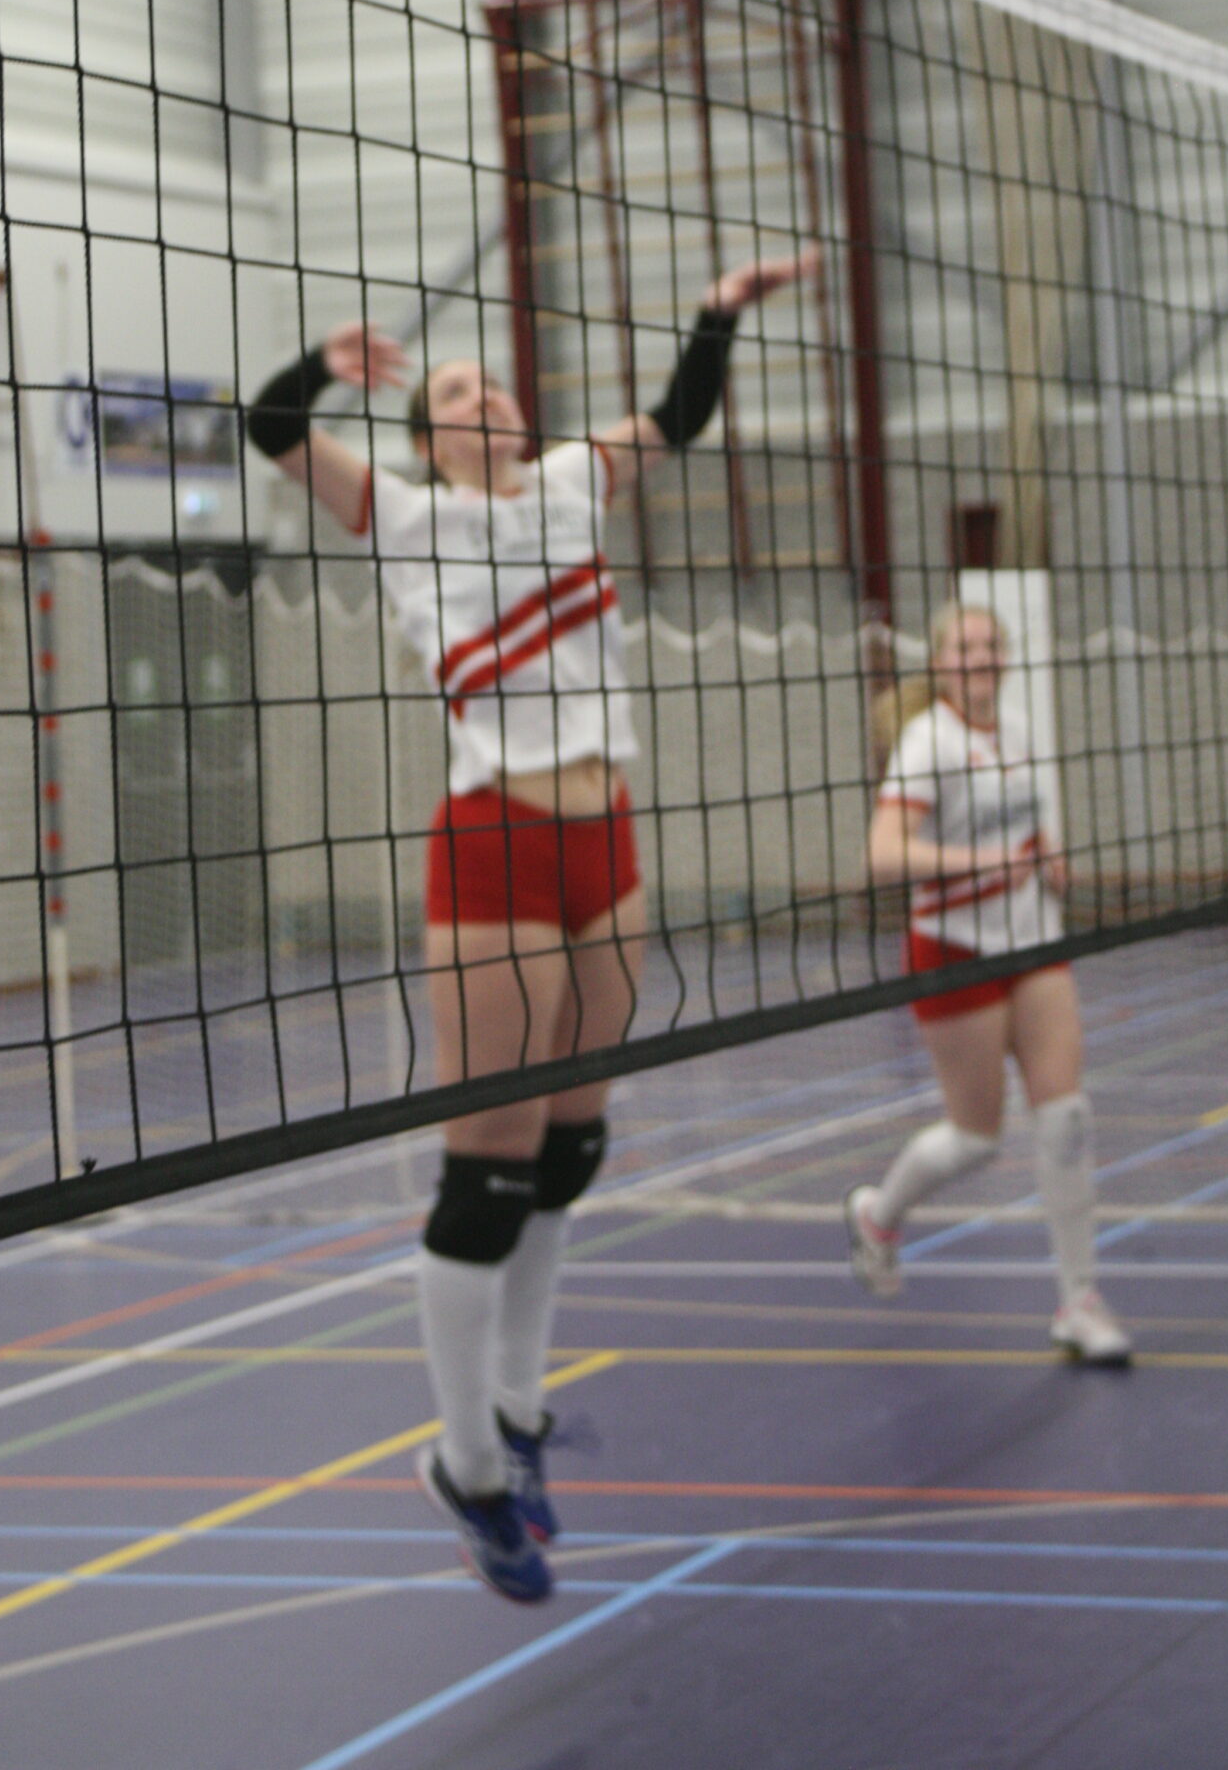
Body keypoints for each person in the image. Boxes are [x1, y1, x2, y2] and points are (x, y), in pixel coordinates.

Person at [247, 250, 814, 1597]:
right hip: (494, 844)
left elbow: (676, 417)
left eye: (491, 385)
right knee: (488, 1165)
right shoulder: (401, 514)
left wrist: (717, 313)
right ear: (427, 439)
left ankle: (515, 1407)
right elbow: (270, 430)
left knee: (570, 1146)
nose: (485, 398)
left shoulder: (568, 483)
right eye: (455, 392)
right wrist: (326, 367)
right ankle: (464, 1463)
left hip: (605, 843)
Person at [845, 602, 1131, 1366]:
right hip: (954, 949)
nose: (978, 656)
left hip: (1030, 941)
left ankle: (1078, 1301)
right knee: (975, 1136)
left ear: (1003, 656)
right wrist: (983, 863)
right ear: (941, 661)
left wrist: (1047, 854)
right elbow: (882, 855)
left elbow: (1024, 822)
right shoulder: (926, 742)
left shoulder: (1019, 733)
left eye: (988, 644)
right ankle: (878, 1215)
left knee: (1065, 1116)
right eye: (963, 646)